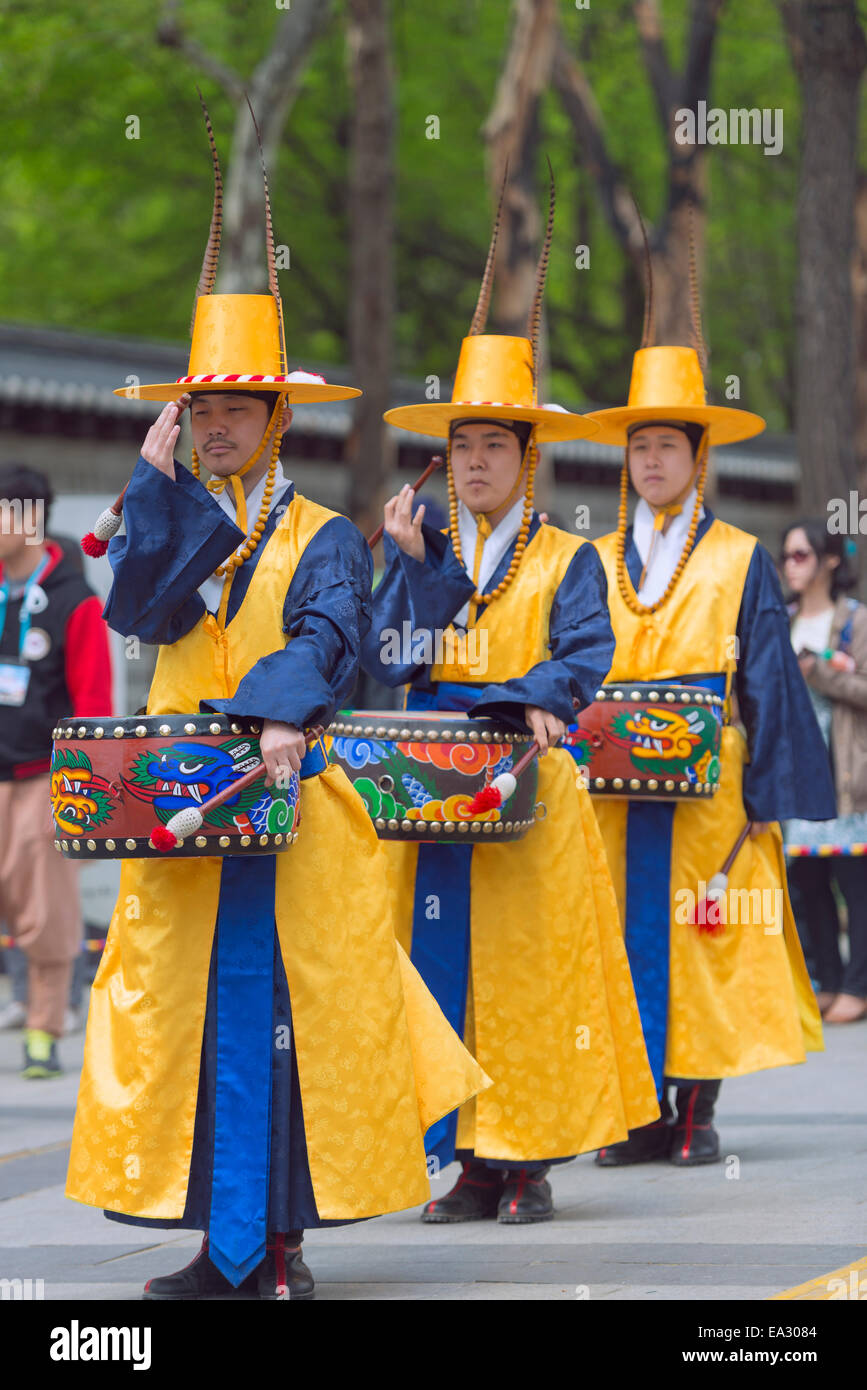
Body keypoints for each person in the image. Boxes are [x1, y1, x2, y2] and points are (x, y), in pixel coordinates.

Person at [65, 109, 487, 1302]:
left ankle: (280, 1250)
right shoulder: (182, 515)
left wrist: (279, 716)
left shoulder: (321, 541)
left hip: (290, 815)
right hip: (185, 826)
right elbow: (137, 613)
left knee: (291, 1035)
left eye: (235, 410)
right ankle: (217, 1247)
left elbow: (331, 639)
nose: (215, 425)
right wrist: (151, 488)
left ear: (277, 419)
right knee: (188, 1031)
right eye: (199, 410)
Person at [360, 185, 658, 1224]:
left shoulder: (572, 558)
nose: (477, 464)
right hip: (444, 798)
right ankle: (466, 1161)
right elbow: (401, 657)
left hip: (531, 799)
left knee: (530, 980)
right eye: (463, 449)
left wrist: (524, 696)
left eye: (496, 447)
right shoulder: (423, 554)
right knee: (445, 971)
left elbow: (584, 655)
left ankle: (524, 1161)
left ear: (529, 461)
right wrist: (411, 571)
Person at [581, 333, 835, 1167]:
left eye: (666, 446)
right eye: (638, 447)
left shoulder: (737, 557)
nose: (650, 462)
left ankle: (696, 1109)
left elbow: (765, 673)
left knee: (704, 940)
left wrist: (767, 790)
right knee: (620, 939)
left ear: (697, 456)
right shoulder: (597, 557)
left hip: (706, 790)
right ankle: (641, 1106)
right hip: (614, 786)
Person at [0, 465, 111, 1075]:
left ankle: (43, 1026)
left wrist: (77, 795)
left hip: (44, 775)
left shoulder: (76, 602)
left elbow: (93, 708)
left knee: (46, 909)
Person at [781, 521, 867, 1023]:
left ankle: (858, 984)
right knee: (809, 878)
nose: (792, 564)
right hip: (799, 771)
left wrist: (822, 675)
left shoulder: (855, 620)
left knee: (854, 880)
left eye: (801, 555)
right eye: (788, 556)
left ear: (829, 560)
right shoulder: (783, 620)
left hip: (848, 772)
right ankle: (828, 983)